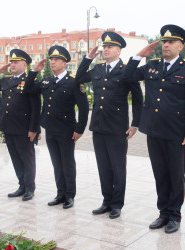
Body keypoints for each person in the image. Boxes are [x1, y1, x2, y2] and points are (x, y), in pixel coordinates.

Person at [126, 24, 185, 233]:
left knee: (176, 174)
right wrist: (138, 55)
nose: (166, 45)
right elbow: (127, 76)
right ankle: (163, 213)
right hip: (154, 130)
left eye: (170, 42)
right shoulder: (152, 65)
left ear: (180, 46)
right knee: (160, 173)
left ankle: (174, 215)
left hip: (177, 132)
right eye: (164, 42)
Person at [75, 31, 143, 219]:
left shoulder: (126, 70)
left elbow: (138, 99)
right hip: (98, 125)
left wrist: (135, 124)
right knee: (103, 167)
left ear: (118, 50)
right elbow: (79, 77)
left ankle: (117, 204)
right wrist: (88, 58)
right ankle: (106, 201)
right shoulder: (97, 69)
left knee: (117, 167)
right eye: (104, 47)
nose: (105, 49)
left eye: (109, 47)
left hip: (117, 127)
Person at [24, 45, 89, 209]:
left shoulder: (74, 82)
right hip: (50, 129)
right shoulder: (46, 80)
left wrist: (80, 130)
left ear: (64, 63)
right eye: (51, 59)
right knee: (56, 163)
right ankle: (60, 194)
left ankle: (69, 196)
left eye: (56, 59)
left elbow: (83, 107)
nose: (52, 62)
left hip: (67, 129)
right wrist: (34, 72)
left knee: (67, 163)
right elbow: (28, 89)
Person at [0, 49, 41, 201]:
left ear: (24, 64)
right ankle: (21, 185)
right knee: (15, 158)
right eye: (11, 62)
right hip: (8, 126)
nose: (12, 64)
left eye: (16, 62)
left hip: (24, 128)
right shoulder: (6, 80)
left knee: (27, 159)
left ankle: (30, 187)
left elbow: (36, 108)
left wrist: (33, 129)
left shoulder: (30, 81)